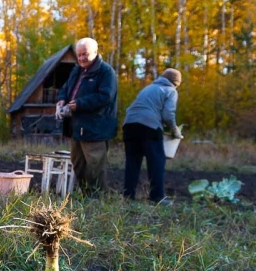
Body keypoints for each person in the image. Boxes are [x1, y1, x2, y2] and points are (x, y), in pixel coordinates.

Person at [55, 38, 118, 194]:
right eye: (79, 55)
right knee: (78, 162)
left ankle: (97, 196)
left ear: (95, 53)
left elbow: (105, 96)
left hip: (95, 126)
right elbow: (65, 88)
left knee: (95, 163)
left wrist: (80, 103)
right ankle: (84, 194)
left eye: (85, 54)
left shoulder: (105, 71)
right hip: (76, 125)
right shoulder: (77, 70)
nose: (81, 58)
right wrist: (62, 99)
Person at [121, 68, 183, 204]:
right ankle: (157, 198)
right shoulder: (171, 90)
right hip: (149, 127)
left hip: (129, 125)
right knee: (157, 161)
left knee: (133, 162)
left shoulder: (148, 88)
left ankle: (128, 196)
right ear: (176, 82)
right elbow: (168, 114)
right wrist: (174, 129)